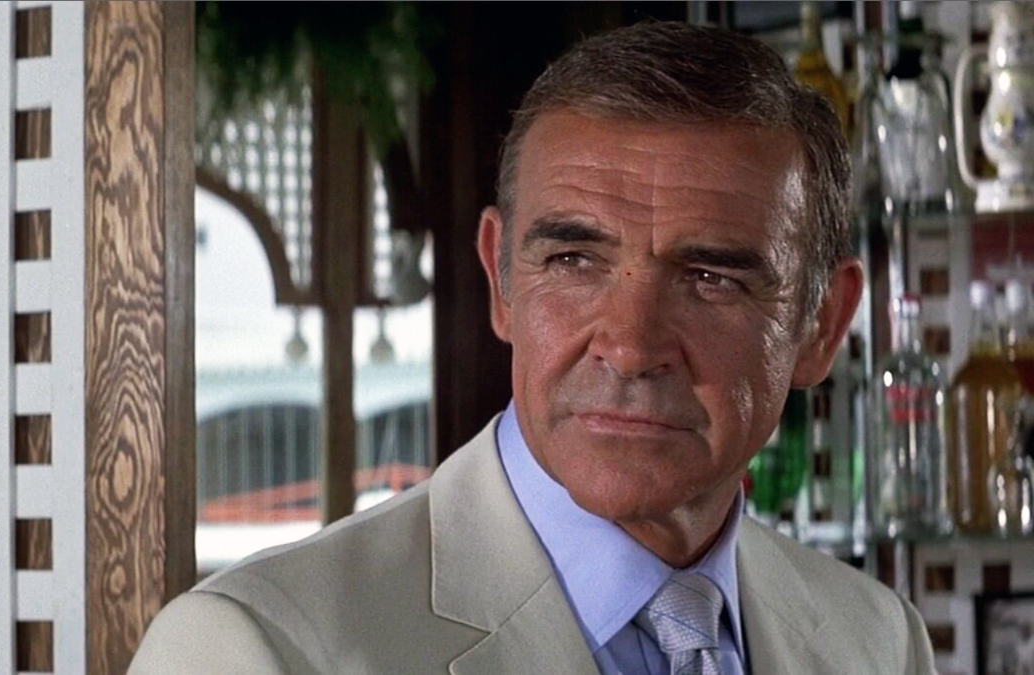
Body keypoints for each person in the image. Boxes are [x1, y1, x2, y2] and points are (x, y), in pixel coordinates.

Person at [131, 21, 936, 674]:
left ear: (821, 324)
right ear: (500, 280)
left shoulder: (878, 640)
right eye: (573, 261)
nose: (630, 347)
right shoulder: (257, 650)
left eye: (709, 278)